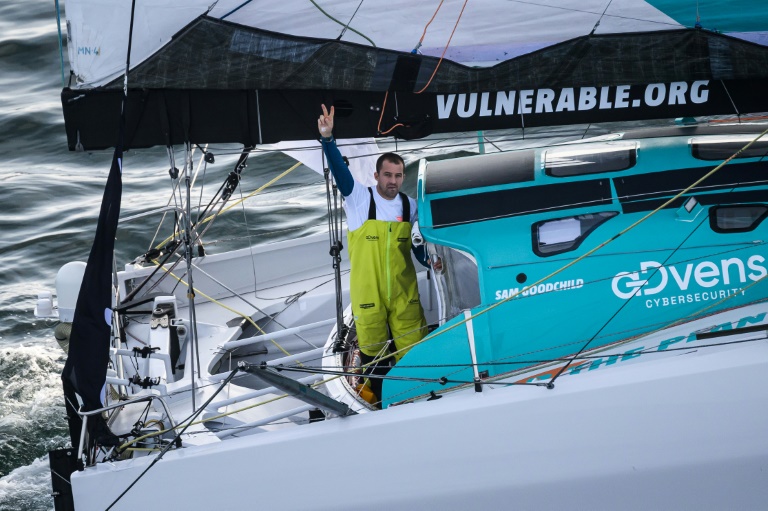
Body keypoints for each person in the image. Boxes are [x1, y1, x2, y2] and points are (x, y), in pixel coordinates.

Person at [318, 104, 427, 401]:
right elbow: (341, 174)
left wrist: (434, 261)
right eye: (387, 175)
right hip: (369, 298)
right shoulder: (358, 200)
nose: (393, 181)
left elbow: (420, 244)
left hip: (404, 296)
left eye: (398, 175)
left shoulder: (410, 206)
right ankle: (378, 400)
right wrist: (328, 139)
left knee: (415, 354)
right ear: (377, 176)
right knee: (373, 359)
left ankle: (417, 398)